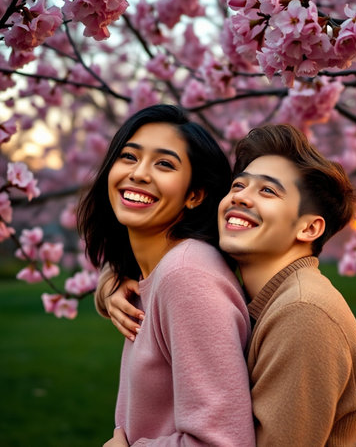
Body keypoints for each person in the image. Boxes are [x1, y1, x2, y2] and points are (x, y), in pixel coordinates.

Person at [96, 123, 356, 446]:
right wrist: (115, 277)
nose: (241, 198)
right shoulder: (266, 294)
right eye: (238, 186)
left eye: (267, 191)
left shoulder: (304, 313)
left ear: (309, 228)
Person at [77, 104, 255, 446]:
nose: (139, 174)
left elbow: (222, 441)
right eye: (129, 157)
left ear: (194, 195)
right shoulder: (162, 269)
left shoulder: (186, 276)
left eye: (164, 164)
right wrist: (109, 282)